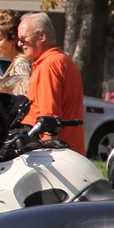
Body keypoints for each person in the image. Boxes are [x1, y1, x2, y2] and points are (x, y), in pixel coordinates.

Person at [17, 11, 85, 153]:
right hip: (69, 153)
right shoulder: (63, 61)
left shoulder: (49, 65)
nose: (19, 44)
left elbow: (49, 120)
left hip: (56, 156)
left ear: (41, 36)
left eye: (23, 39)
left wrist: (48, 157)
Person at [0, 10, 31, 96]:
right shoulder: (16, 61)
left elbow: (23, 99)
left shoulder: (21, 63)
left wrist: (1, 89)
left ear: (13, 39)